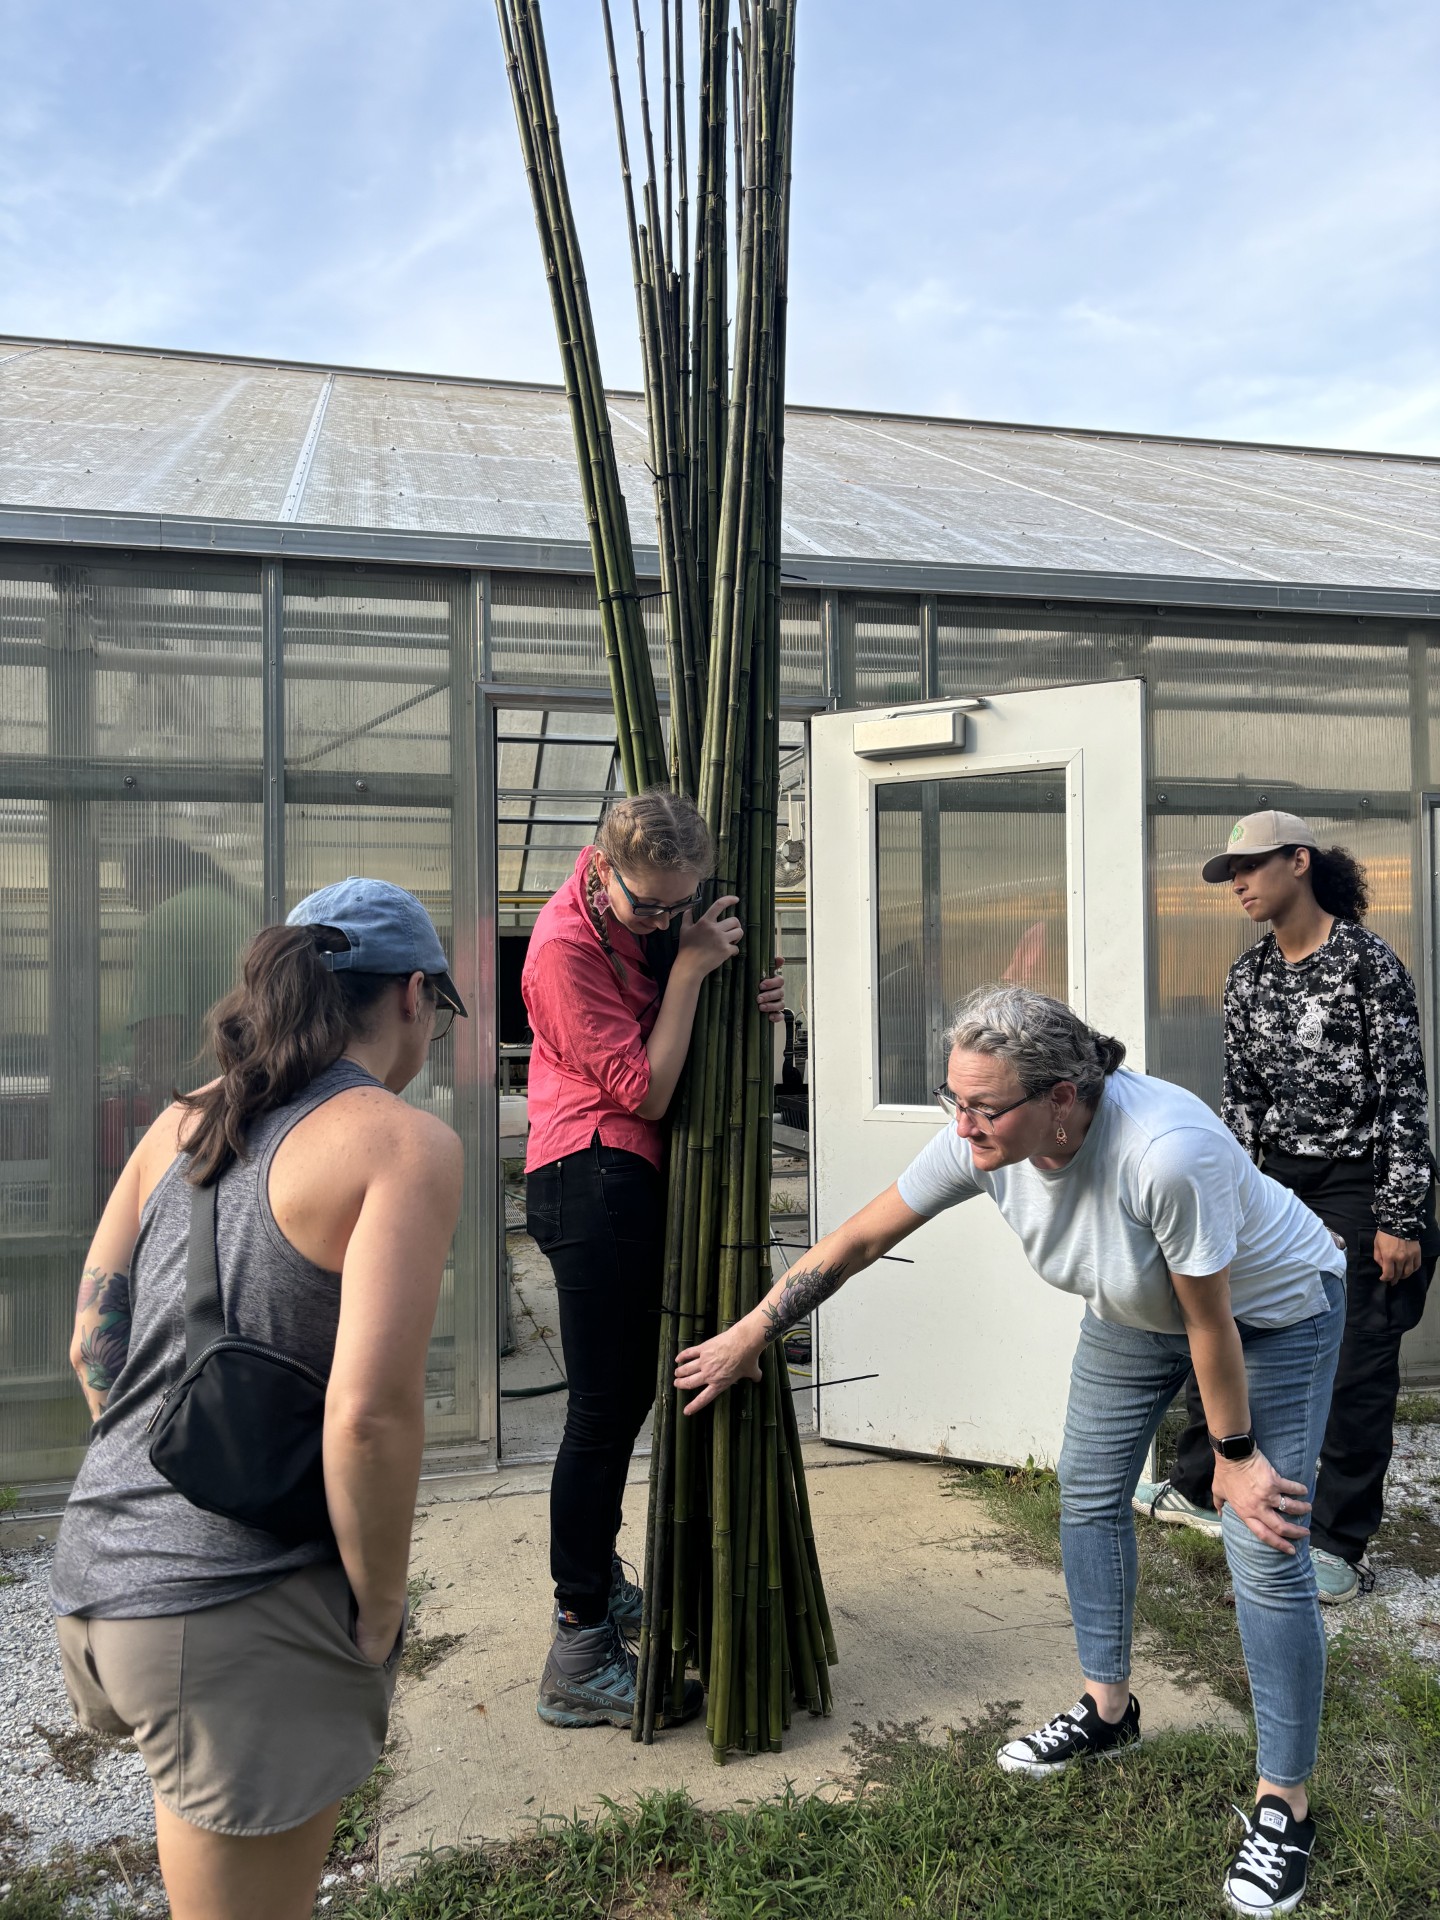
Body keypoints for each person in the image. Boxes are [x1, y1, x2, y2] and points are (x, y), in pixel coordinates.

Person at [676, 984, 1346, 1917]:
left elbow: (1212, 1321)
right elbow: (863, 1237)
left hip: (1267, 1317)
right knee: (1086, 1497)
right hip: (1133, 1312)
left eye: (984, 1107)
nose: (963, 1124)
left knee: (1264, 1545)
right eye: (955, 1099)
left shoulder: (1166, 1154)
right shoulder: (984, 1139)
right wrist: (755, 1328)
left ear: (1066, 1096)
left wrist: (1232, 1455)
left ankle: (1285, 1805)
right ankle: (1108, 1710)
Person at [51, 878, 466, 1920]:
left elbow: (91, 1341)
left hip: (100, 1578)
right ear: (413, 996)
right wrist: (376, 1609)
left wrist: (168, 1470)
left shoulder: (182, 1121)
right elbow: (368, 1415)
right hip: (234, 1617)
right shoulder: (402, 1143)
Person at [522, 789, 783, 1729]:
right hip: (589, 1179)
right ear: (600, 867)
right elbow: (645, 1088)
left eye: (684, 907)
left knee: (621, 1404)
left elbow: (687, 1040)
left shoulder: (649, 921)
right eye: (650, 908)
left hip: (622, 1181)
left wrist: (738, 1000)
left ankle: (599, 1591)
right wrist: (689, 977)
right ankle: (579, 1640)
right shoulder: (562, 948)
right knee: (600, 1414)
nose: (668, 924)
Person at [1134, 810, 1438, 1603]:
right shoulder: (1248, 978)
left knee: (1356, 1360)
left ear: (1298, 863)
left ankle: (1338, 1541)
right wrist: (1225, 1196)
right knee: (1221, 1315)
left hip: (1362, 1182)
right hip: (1275, 1183)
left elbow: (1406, 1093)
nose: (1235, 883)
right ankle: (1202, 1489)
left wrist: (1399, 1215)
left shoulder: (1369, 966)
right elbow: (1242, 1100)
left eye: (1249, 866)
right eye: (1228, 873)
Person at [123, 836, 255, 1113]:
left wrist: (157, 1099)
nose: (141, 911)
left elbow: (159, 1030)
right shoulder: (236, 908)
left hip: (200, 1100)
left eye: (136, 900)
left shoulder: (165, 919)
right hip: (247, 1089)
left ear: (151, 877)